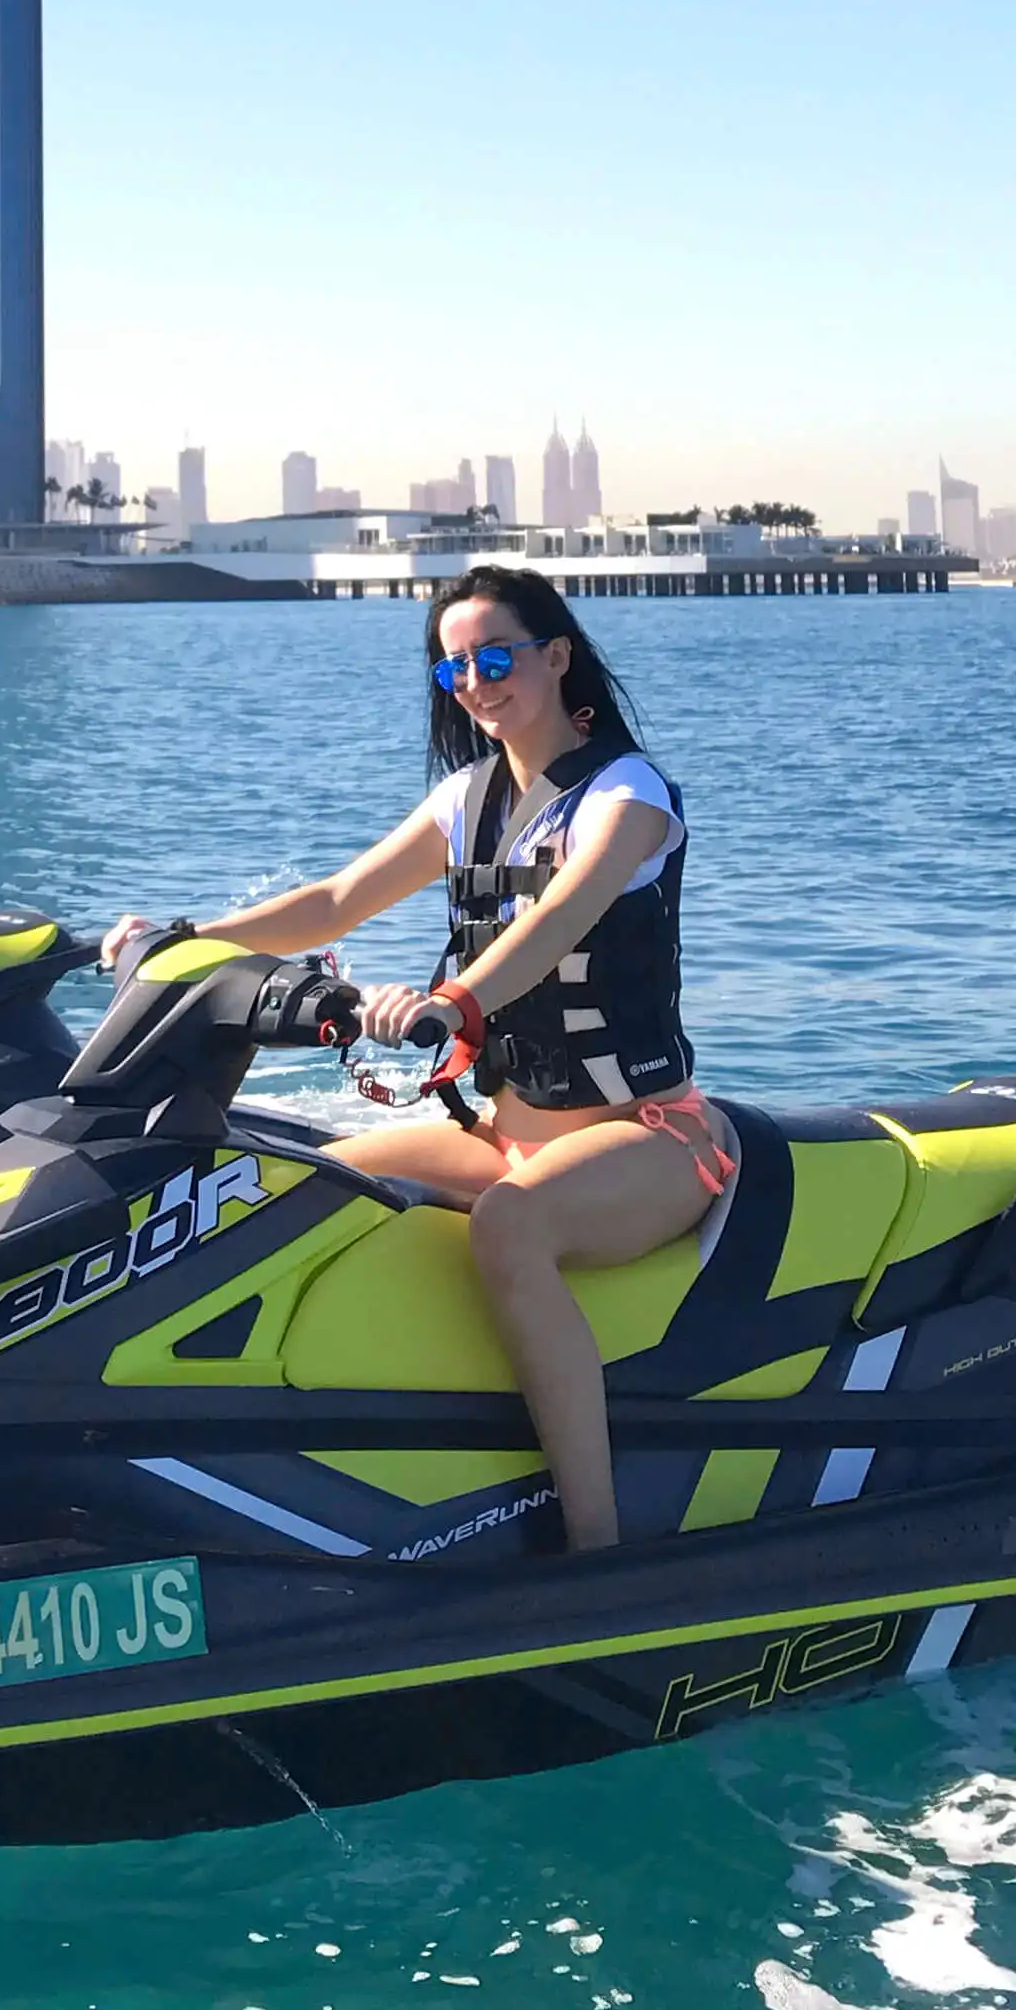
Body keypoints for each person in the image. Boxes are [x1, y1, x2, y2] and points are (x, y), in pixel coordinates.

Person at [101, 564, 725, 1553]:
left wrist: (452, 1001)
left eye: (494, 657)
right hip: (505, 1138)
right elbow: (332, 903)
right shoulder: (464, 803)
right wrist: (184, 945)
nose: (475, 683)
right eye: (454, 670)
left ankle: (596, 1544)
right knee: (298, 1188)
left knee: (511, 1229)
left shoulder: (626, 794)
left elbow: (565, 913)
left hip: (652, 1139)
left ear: (556, 656)